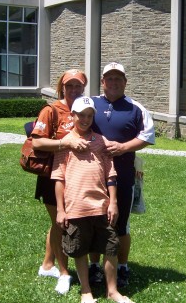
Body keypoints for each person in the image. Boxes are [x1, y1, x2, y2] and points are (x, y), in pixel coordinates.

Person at [51, 96, 135, 303]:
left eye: (89, 116)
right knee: (79, 249)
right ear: (73, 115)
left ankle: (112, 290)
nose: (85, 119)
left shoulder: (101, 142)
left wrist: (113, 202)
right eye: (81, 115)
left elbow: (111, 175)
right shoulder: (66, 143)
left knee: (110, 248)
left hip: (101, 206)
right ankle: (85, 291)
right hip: (75, 207)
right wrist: (61, 210)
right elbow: (59, 179)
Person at [90, 62, 155, 287]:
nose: (114, 82)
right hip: (92, 173)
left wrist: (124, 147)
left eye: (119, 78)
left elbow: (147, 136)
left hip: (123, 175)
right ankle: (94, 266)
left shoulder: (136, 108)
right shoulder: (91, 104)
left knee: (121, 224)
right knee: (94, 220)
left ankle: (122, 267)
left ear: (125, 82)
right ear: (102, 82)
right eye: (110, 78)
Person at [31, 69, 92, 294]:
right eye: (69, 86)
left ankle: (48, 265)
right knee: (60, 223)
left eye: (78, 86)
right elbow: (37, 143)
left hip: (76, 176)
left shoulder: (86, 107)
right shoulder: (51, 110)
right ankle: (64, 273)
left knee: (59, 222)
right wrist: (64, 144)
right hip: (52, 176)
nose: (74, 90)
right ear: (62, 87)